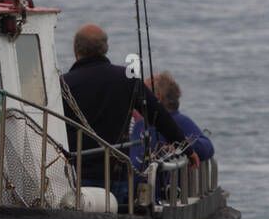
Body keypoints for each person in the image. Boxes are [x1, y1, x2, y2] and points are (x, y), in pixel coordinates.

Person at [60, 25, 195, 191]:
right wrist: (186, 148)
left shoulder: (63, 84)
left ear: (75, 49)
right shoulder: (127, 78)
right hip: (117, 175)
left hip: (75, 175)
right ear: (106, 48)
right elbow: (158, 115)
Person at [128, 72, 214, 171]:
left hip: (166, 184)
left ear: (157, 97)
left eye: (144, 93)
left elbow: (207, 147)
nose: (139, 98)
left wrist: (182, 145)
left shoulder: (180, 121)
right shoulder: (140, 124)